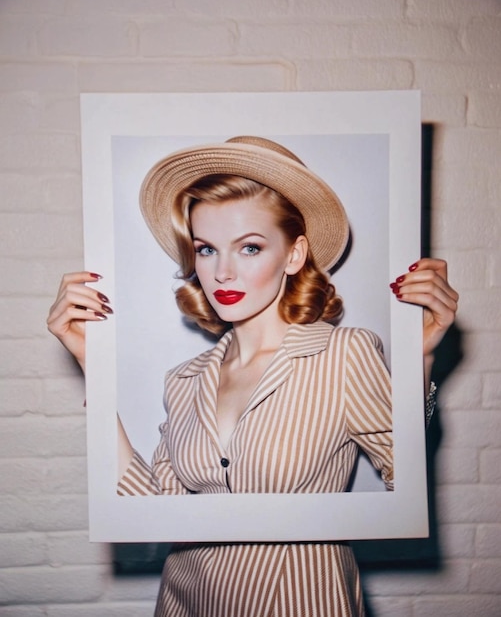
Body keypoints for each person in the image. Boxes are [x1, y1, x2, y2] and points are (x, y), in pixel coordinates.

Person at [47, 136, 458, 616]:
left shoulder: (344, 352)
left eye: (249, 247)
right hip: (187, 602)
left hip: (302, 602)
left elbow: (405, 481)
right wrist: (91, 368)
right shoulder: (184, 380)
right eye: (206, 249)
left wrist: (419, 358)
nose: (222, 272)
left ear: (293, 254)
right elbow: (148, 508)